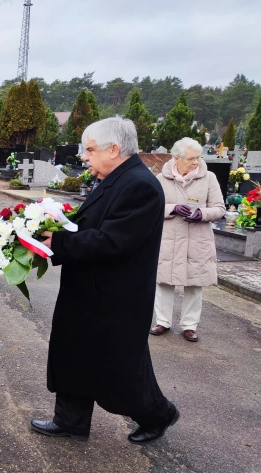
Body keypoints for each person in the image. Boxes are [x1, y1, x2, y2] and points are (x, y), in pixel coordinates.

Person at [31, 118, 179, 444]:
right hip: (90, 289)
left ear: (114, 150)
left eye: (91, 150)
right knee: (74, 354)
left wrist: (59, 244)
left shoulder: (140, 186)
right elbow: (91, 224)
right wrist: (53, 227)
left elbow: (113, 241)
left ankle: (158, 414)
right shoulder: (117, 178)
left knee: (120, 369)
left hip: (114, 298)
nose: (85, 157)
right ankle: (70, 420)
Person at [150, 137, 225, 342]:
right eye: (191, 158)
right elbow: (151, 207)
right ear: (177, 158)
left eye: (198, 158)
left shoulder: (209, 178)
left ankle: (189, 325)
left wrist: (202, 214)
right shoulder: (161, 179)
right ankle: (163, 321)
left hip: (197, 238)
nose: (196, 162)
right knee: (164, 281)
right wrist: (172, 208)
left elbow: (219, 208)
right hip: (169, 238)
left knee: (194, 283)